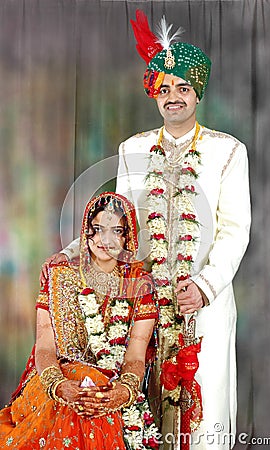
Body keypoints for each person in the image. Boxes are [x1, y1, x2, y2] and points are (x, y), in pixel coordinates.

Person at [39, 10, 251, 450]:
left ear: (198, 95)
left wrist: (207, 286)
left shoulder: (227, 151)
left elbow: (234, 228)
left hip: (202, 306)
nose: (173, 97)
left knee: (205, 404)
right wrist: (73, 253)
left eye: (183, 88)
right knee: (143, 405)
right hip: (141, 301)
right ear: (155, 94)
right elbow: (121, 220)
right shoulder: (133, 149)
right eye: (165, 88)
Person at [0, 192, 160, 450]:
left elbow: (135, 356)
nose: (105, 240)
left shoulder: (140, 288)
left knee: (94, 401)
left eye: (116, 231)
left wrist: (123, 392)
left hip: (109, 388)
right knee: (80, 400)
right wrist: (60, 386)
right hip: (53, 383)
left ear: (126, 238)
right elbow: (45, 348)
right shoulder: (58, 277)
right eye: (98, 230)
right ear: (87, 233)